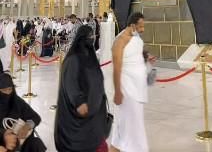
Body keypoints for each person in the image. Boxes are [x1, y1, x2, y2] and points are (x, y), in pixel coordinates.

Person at [54, 25, 108, 152]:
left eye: (93, 36)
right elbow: (70, 82)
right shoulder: (73, 60)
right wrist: (79, 101)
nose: (92, 39)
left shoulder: (90, 57)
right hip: (78, 118)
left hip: (94, 116)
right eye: (89, 36)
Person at [110, 12, 149, 152]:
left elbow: (139, 53)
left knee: (133, 123)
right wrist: (118, 92)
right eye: (140, 26)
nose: (142, 29)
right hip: (127, 90)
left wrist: (147, 57)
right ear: (132, 25)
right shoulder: (119, 42)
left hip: (138, 89)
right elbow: (117, 69)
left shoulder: (135, 38)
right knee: (128, 123)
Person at [0, 73, 46, 151]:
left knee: (36, 143)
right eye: (4, 90)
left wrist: (27, 126)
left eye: (10, 89)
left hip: (20, 143)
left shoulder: (16, 101)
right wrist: (3, 135)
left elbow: (35, 117)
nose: (7, 93)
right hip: (2, 144)